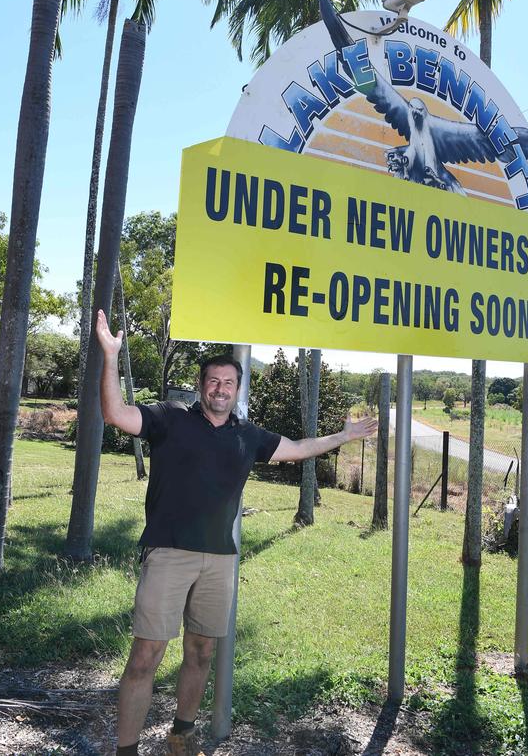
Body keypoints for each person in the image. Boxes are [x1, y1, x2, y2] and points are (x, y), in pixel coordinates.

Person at [96, 309, 378, 756]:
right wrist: (110, 355)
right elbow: (114, 413)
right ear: (201, 384)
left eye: (229, 383)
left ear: (238, 389)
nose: (220, 389)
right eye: (213, 382)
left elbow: (300, 449)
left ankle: (182, 735)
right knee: (146, 656)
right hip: (169, 553)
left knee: (202, 650)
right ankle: (126, 750)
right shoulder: (170, 418)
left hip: (221, 559)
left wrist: (342, 437)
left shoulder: (248, 435)